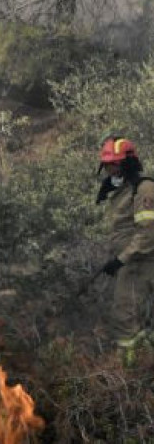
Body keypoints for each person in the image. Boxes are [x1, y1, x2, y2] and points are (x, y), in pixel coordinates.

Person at [94, 135, 154, 361]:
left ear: (128, 163)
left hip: (141, 261)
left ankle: (128, 368)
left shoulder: (144, 189)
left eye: (115, 164)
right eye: (108, 165)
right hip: (129, 261)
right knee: (135, 314)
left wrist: (121, 258)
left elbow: (148, 233)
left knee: (125, 312)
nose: (111, 170)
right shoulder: (120, 190)